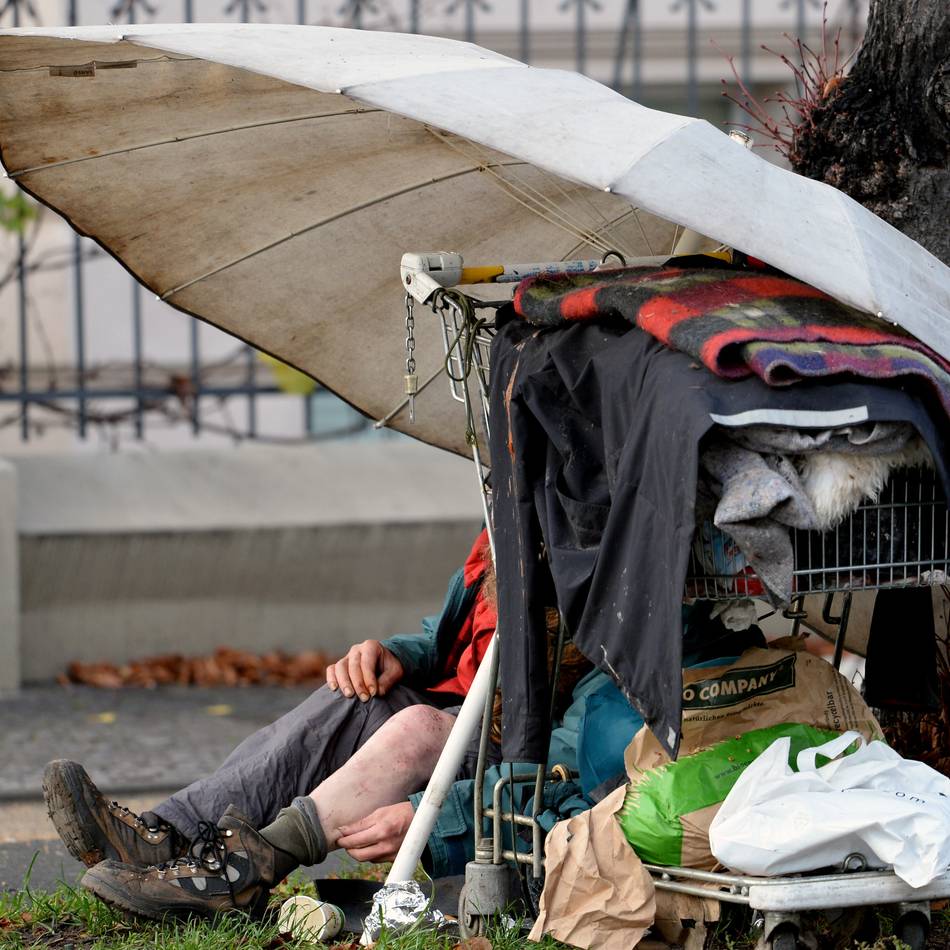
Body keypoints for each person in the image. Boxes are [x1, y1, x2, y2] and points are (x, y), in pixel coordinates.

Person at [44, 529, 499, 920]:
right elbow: (452, 637)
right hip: (457, 702)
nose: (508, 444)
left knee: (417, 725)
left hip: (507, 747)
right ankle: (169, 840)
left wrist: (438, 815)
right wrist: (399, 653)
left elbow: (567, 766)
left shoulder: (567, 549)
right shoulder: (506, 514)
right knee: (354, 696)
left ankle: (234, 877)